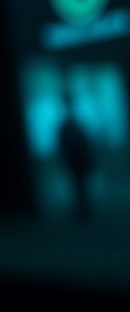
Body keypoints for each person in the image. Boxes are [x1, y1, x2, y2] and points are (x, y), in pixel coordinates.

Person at [57, 90, 94, 221]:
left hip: (78, 160)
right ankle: (82, 208)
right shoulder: (68, 124)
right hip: (76, 160)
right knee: (79, 185)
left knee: (80, 185)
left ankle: (82, 208)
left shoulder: (71, 123)